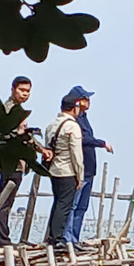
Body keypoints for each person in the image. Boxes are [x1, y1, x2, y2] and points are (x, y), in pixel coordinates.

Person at [0, 76, 43, 247]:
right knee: (4, 201)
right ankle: (2, 240)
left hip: (17, 161)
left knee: (7, 201)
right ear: (13, 89)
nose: (25, 94)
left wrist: (41, 149)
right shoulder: (8, 111)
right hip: (10, 160)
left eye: (28, 91)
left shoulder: (18, 110)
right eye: (22, 90)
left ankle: (2, 238)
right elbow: (5, 135)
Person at [63, 86, 113, 247]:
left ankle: (74, 238)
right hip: (79, 169)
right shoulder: (73, 120)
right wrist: (102, 143)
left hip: (89, 169)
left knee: (82, 207)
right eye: (85, 99)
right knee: (73, 205)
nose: (88, 102)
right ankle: (68, 238)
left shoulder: (84, 117)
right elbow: (83, 139)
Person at [45, 89, 85, 250]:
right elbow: (76, 154)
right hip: (67, 170)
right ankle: (57, 238)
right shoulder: (72, 127)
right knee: (64, 205)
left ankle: (52, 236)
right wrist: (80, 175)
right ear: (74, 108)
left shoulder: (51, 125)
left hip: (54, 169)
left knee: (57, 202)